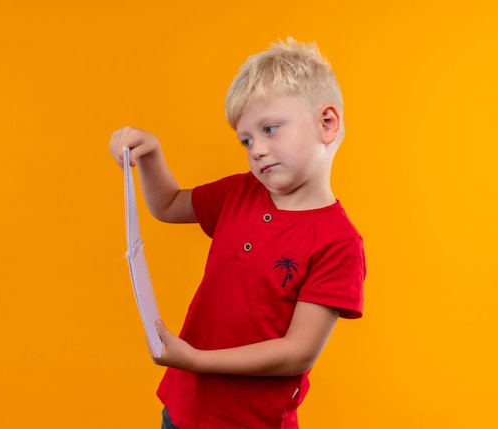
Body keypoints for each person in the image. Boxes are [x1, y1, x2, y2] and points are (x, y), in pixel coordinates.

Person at [109, 37, 365, 429]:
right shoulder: (240, 192)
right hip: (184, 407)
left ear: (326, 124)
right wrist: (151, 154)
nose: (256, 149)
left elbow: (297, 353)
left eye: (270, 129)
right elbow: (168, 204)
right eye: (246, 140)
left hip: (249, 421)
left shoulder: (339, 243)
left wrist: (196, 360)